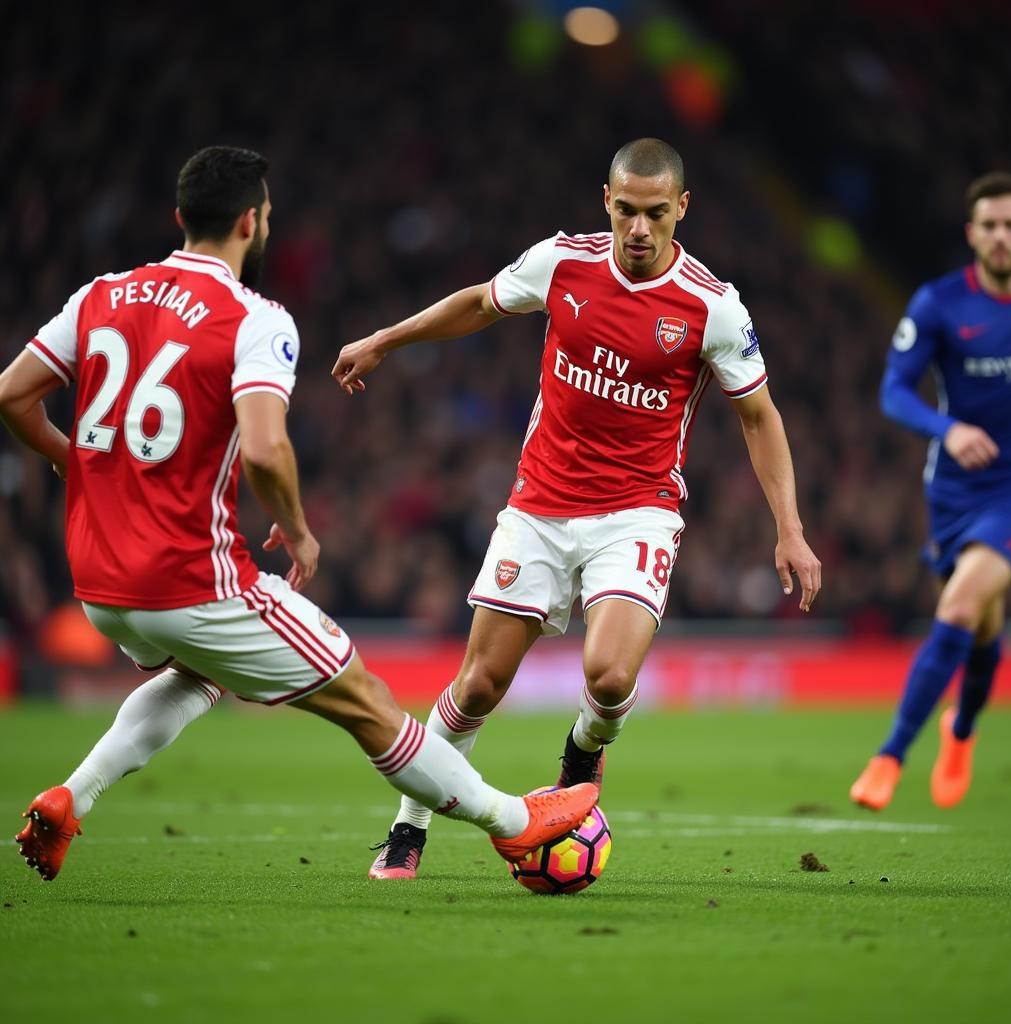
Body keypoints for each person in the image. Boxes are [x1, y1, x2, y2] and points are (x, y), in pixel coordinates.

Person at [0, 145, 597, 881]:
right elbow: (263, 447)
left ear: (182, 216)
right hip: (193, 580)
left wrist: (71, 461)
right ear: (252, 220)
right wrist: (300, 525)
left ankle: (70, 797)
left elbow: (11, 395)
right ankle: (514, 821)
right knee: (366, 701)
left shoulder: (100, 295)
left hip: (97, 583)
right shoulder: (255, 319)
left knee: (198, 677)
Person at [332, 137, 822, 880]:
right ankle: (409, 827)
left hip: (637, 512)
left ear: (681, 209)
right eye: (625, 210)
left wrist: (789, 527)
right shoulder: (562, 262)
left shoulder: (711, 306)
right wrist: (386, 339)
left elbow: (759, 416)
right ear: (606, 199)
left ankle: (581, 757)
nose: (638, 229)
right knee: (477, 687)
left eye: (656, 214)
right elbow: (478, 304)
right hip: (539, 505)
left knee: (611, 678)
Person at [850, 171, 1011, 811]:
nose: (1002, 236)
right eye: (992, 225)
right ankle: (963, 726)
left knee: (956, 607)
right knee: (981, 625)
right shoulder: (940, 302)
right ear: (973, 233)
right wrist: (947, 430)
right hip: (952, 491)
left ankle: (889, 756)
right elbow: (894, 390)